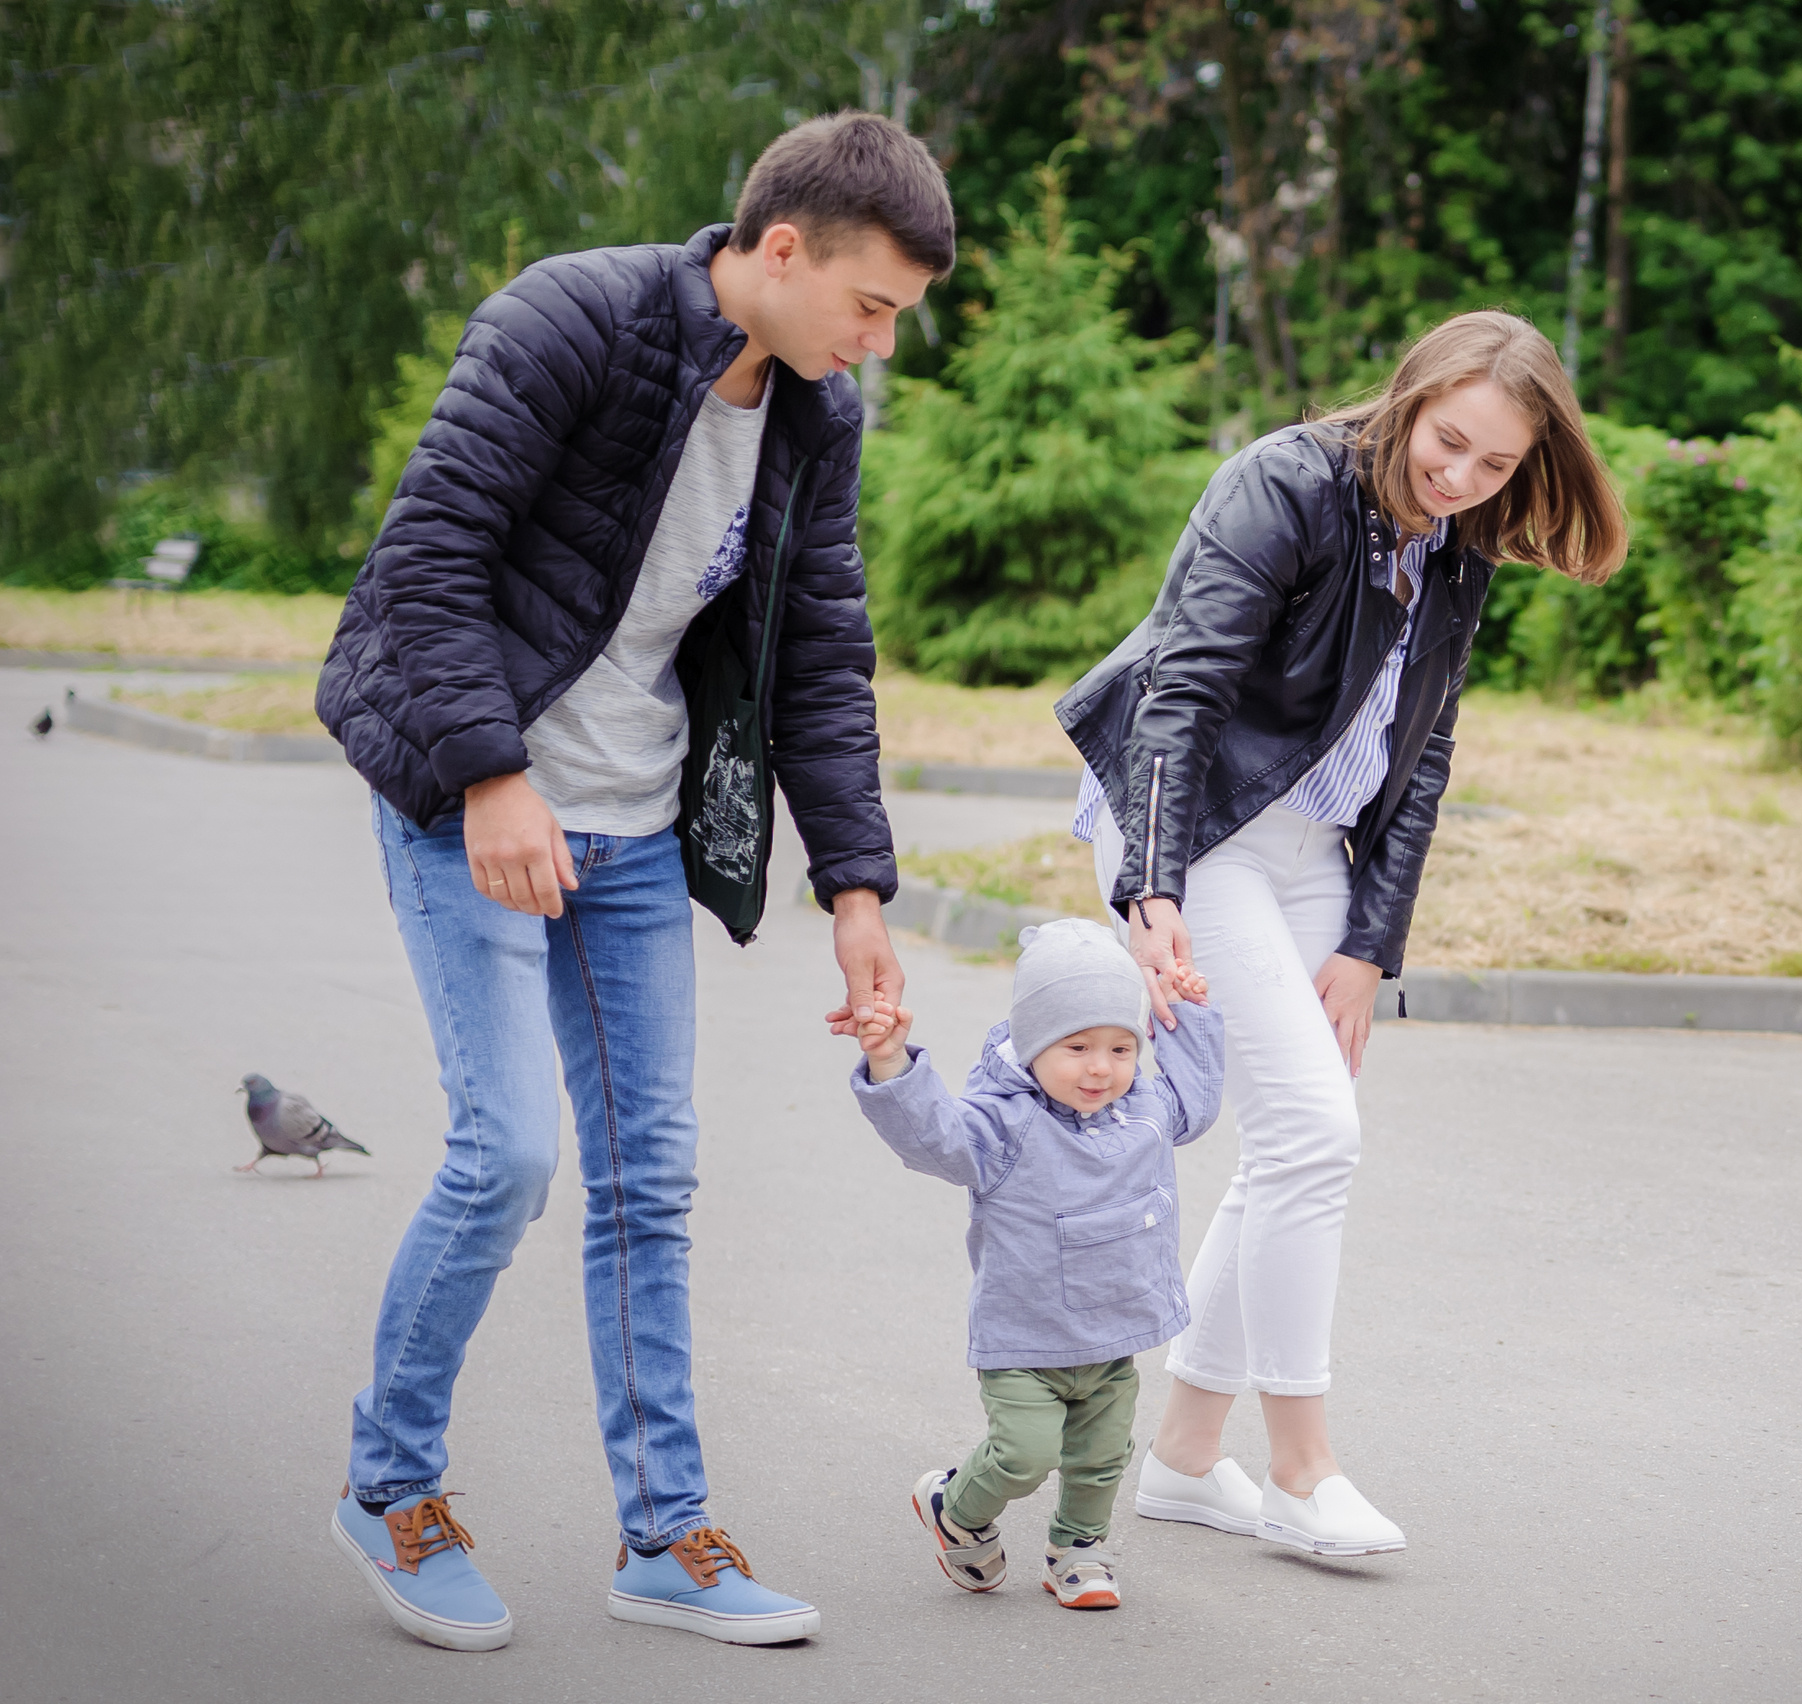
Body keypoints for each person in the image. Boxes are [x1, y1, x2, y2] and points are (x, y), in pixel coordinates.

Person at [313, 112, 953, 1652]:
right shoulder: (571, 317)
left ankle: (667, 1537)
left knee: (649, 1188)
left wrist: (859, 896)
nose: (876, 344)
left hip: (630, 833)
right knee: (506, 1158)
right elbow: (431, 558)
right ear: (781, 251)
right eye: (870, 306)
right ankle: (389, 1487)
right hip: (469, 802)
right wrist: (490, 774)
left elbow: (819, 663)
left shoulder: (818, 415)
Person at [1054, 310, 1628, 1555]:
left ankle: (1188, 1458)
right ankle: (1303, 1468)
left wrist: (1373, 945)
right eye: (1450, 444)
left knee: (1293, 1146)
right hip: (1194, 821)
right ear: (1413, 394)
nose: (1463, 479)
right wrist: (1150, 893)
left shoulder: (1463, 541)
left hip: (1314, 845)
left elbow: (1422, 757)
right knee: (1317, 1130)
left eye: (1495, 466)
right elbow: (1184, 691)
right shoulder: (1282, 484)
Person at [843, 920, 1225, 1610]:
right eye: (1076, 1047)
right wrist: (892, 1066)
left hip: (1113, 1332)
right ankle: (957, 1508)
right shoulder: (1003, 1123)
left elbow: (1196, 1103)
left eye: (1120, 1047)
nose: (1100, 1067)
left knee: (1103, 1456)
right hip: (1025, 1338)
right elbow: (937, 1139)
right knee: (1024, 1454)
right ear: (1030, 1043)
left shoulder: (1142, 1108)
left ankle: (1079, 1548)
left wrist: (1188, 1014)